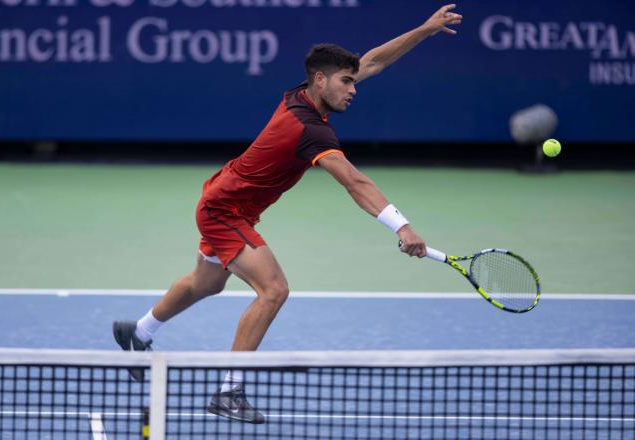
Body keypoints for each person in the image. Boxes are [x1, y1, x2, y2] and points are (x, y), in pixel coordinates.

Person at [113, 4, 462, 424]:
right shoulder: (311, 129)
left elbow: (374, 61)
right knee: (274, 290)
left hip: (225, 197)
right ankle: (229, 391)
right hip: (225, 210)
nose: (354, 88)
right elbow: (354, 182)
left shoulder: (304, 94)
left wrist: (423, 30)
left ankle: (139, 332)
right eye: (346, 82)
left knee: (206, 284)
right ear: (321, 79)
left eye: (353, 81)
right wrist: (401, 226)